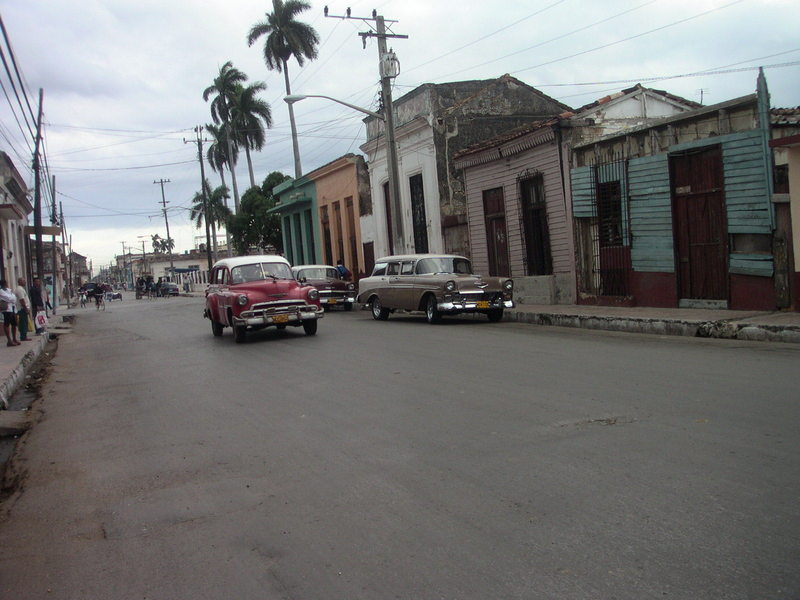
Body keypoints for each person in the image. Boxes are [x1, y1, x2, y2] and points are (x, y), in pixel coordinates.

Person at [0, 280, 20, 346]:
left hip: (13, 308)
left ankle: (14, 338)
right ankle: (9, 340)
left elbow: (14, 298)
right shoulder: (1, 291)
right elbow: (9, 298)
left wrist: (12, 298)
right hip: (6, 310)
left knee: (14, 324)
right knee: (7, 324)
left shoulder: (9, 290)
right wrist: (12, 298)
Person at [14, 277, 31, 342]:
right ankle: (23, 336)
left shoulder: (21, 289)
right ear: (19, 282)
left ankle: (24, 336)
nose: (25, 282)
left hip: (22, 309)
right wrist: (26, 309)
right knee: (23, 323)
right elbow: (22, 300)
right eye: (24, 281)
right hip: (22, 309)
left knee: (24, 322)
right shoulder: (19, 289)